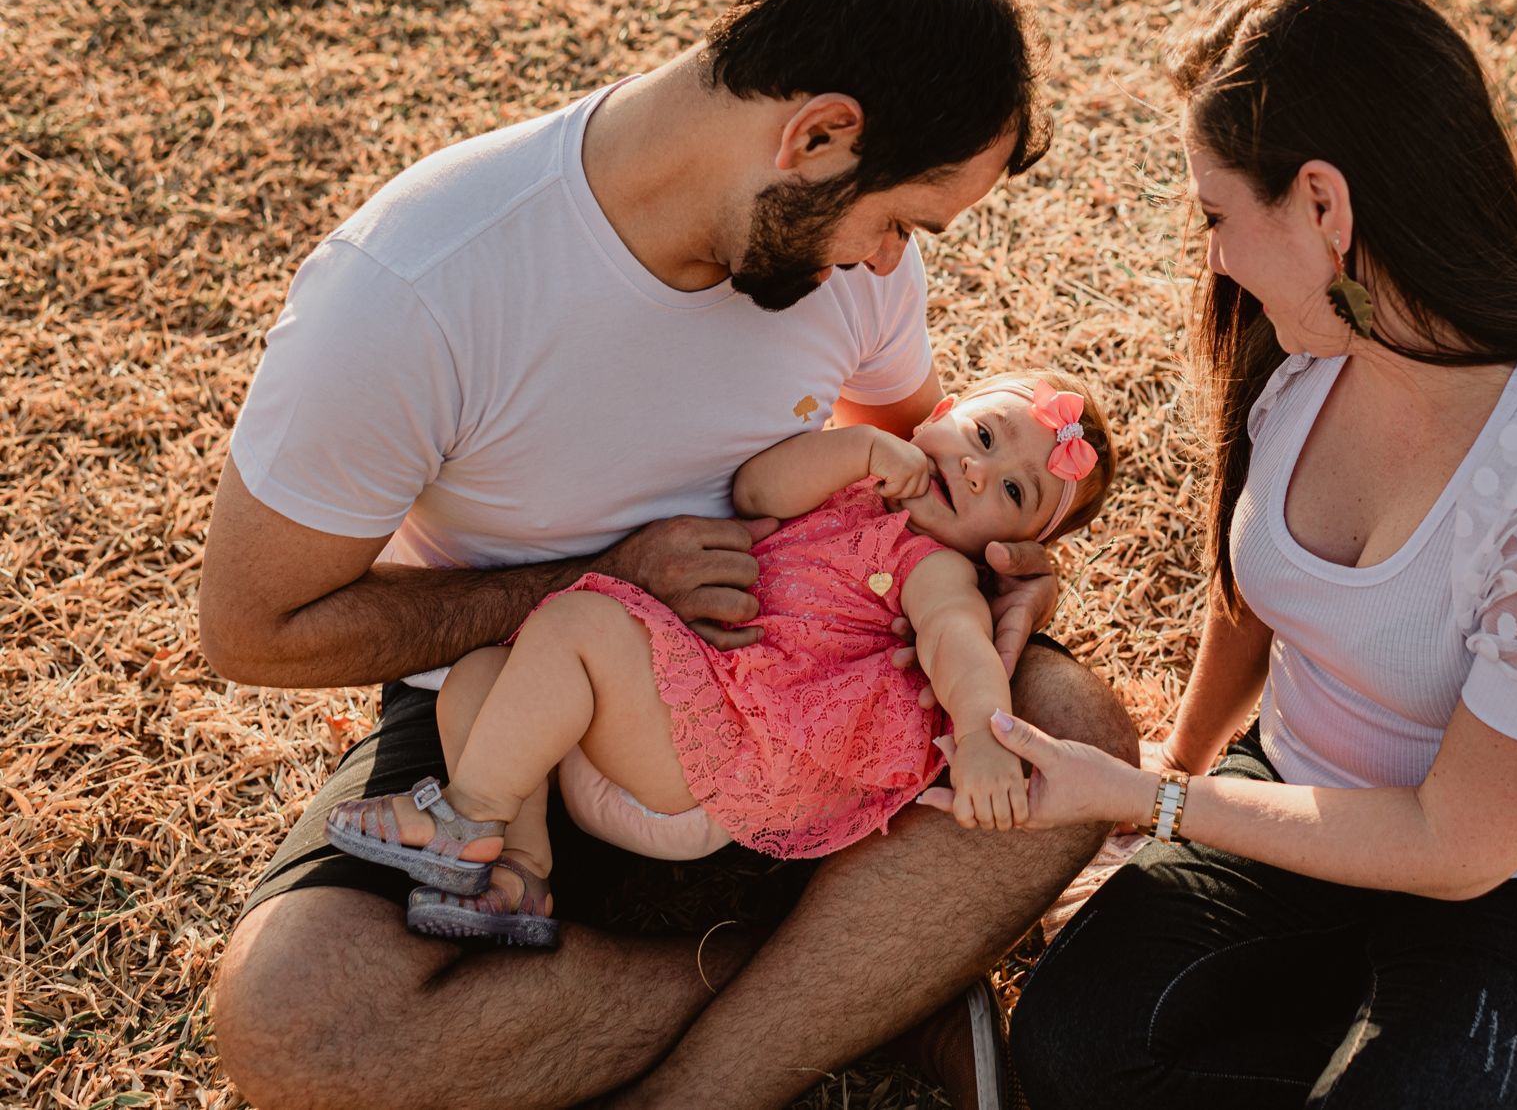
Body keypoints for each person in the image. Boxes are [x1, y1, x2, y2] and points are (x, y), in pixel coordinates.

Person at [200, 0, 1138, 1110]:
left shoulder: (851, 268)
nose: (889, 259)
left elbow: (909, 459)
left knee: (1070, 724)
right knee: (298, 1021)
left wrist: (1006, 570)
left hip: (801, 684)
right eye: (902, 219)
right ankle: (836, 978)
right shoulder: (419, 287)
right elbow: (253, 628)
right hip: (520, 696)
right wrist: (597, 579)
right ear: (818, 136)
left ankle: (707, 1080)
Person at [928, 0, 1517, 1110]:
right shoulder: (1308, 354)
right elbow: (1254, 598)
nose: (1212, 256)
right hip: (1298, 793)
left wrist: (1149, 802)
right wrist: (1186, 768)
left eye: (1215, 216)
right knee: (1070, 1047)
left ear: (1321, 204)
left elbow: (1457, 843)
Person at [326, 371, 1115, 948]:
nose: (978, 471)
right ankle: (518, 871)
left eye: (1013, 493)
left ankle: (465, 810)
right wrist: (859, 446)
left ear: (1012, 548)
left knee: (577, 625)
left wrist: (979, 735)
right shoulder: (853, 484)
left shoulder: (934, 568)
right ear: (941, 415)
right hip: (648, 727)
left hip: (718, 763)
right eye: (983, 437)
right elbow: (757, 489)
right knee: (481, 675)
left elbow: (958, 645)